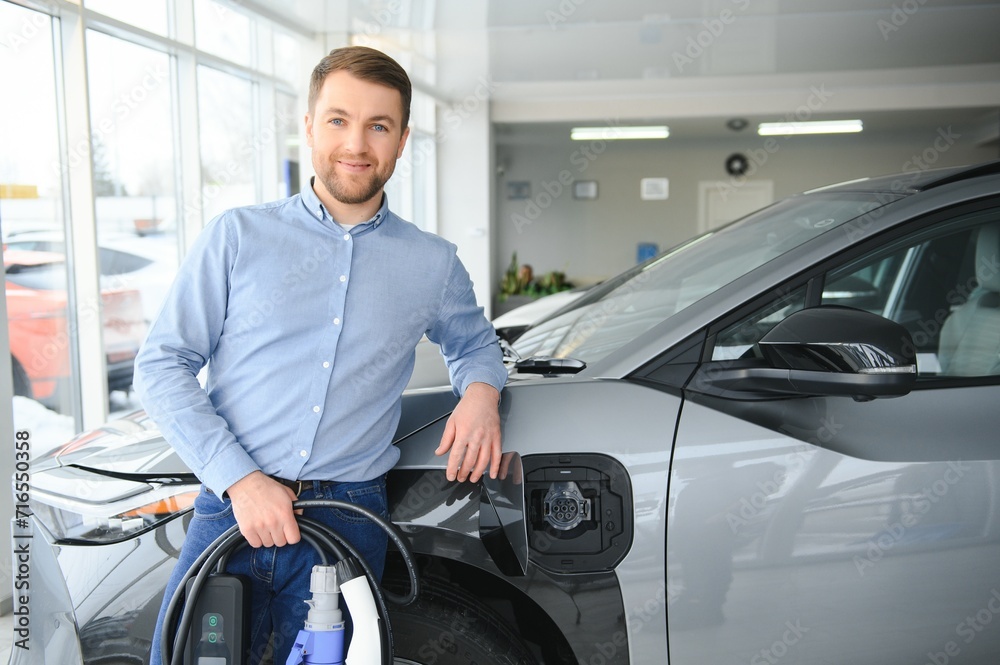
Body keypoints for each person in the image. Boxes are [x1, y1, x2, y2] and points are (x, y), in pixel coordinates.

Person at [135, 45, 507, 665]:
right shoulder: (237, 236)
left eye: (378, 125)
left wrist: (481, 394)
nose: (356, 143)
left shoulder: (432, 262)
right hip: (232, 509)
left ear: (402, 138)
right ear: (308, 126)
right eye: (338, 120)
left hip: (349, 522)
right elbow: (162, 364)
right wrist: (241, 481)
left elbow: (473, 345)